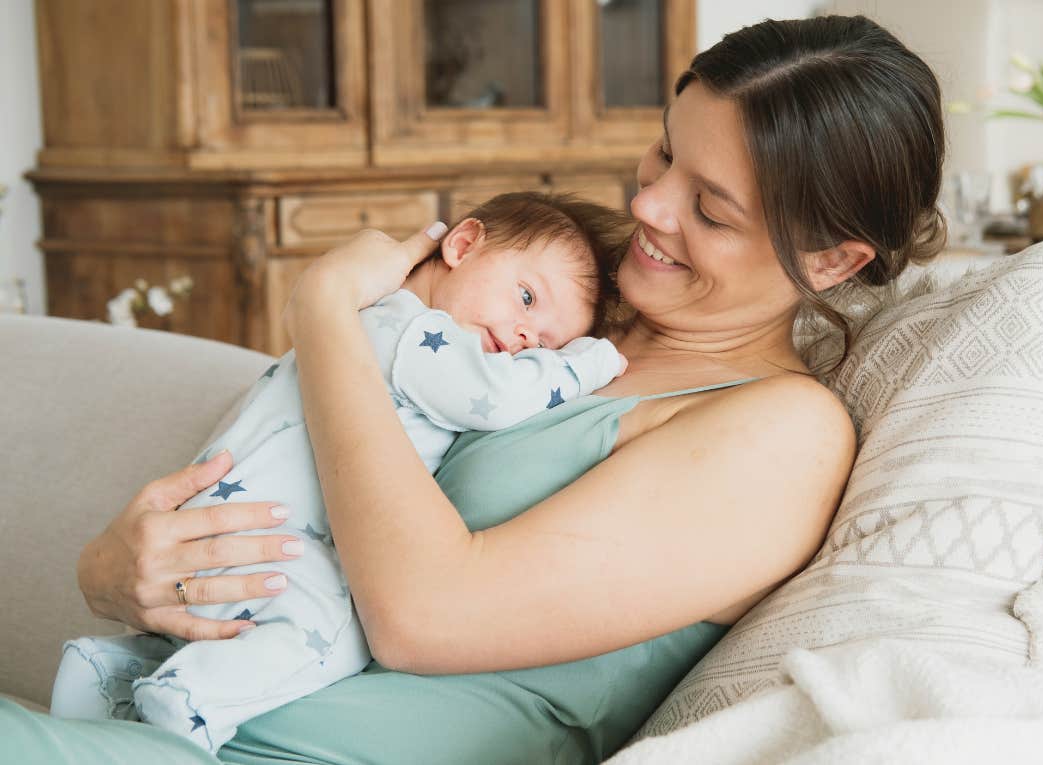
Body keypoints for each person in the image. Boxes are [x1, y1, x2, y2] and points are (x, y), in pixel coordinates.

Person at [0, 15, 946, 764]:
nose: (649, 207)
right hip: (174, 716)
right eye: (665, 156)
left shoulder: (780, 432)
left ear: (831, 259)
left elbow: (421, 616)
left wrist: (324, 303)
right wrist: (112, 571)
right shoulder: (559, 298)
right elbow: (277, 447)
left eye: (710, 208)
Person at [45, 192, 631, 753]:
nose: (527, 338)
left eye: (548, 343)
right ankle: (190, 702)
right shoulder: (412, 332)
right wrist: (585, 362)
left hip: (230, 534)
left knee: (249, 629)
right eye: (527, 298)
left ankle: (110, 674)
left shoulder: (362, 322)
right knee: (334, 630)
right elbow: (494, 398)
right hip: (261, 540)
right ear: (464, 244)